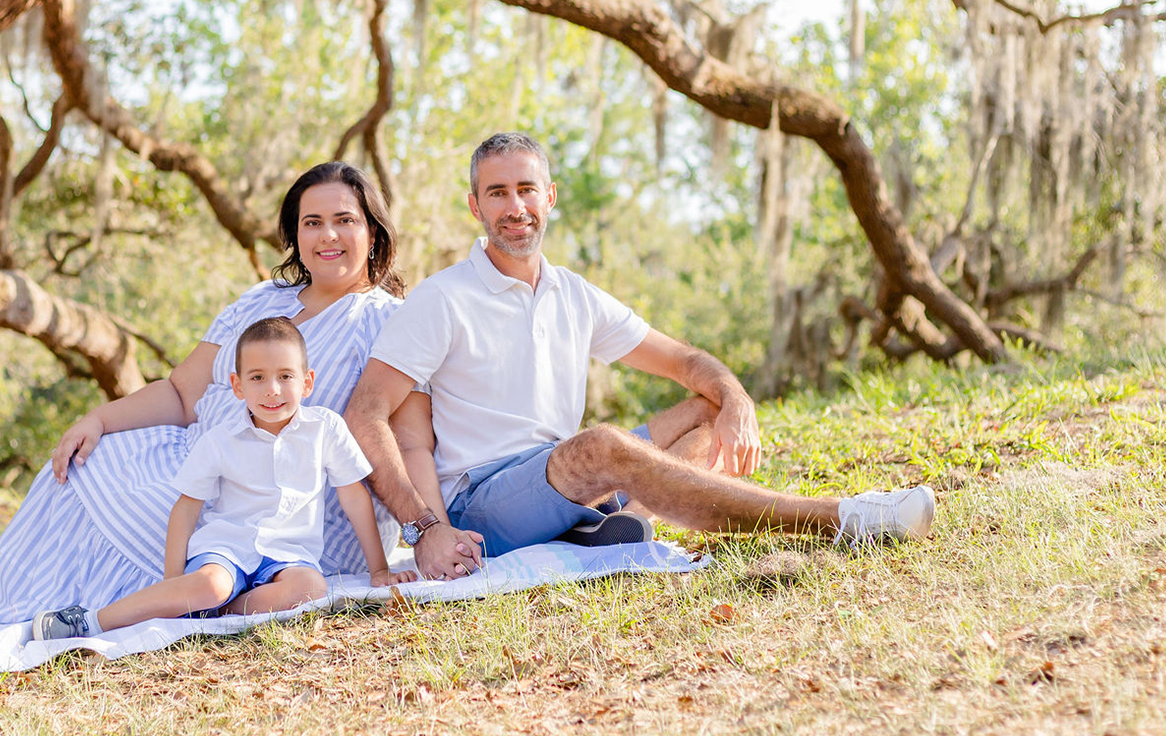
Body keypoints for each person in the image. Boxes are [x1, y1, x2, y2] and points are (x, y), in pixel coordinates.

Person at [340, 131, 935, 560]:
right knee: (601, 446)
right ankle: (842, 519)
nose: (514, 207)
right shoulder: (443, 298)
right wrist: (425, 530)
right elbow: (364, 414)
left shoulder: (573, 294)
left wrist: (735, 397)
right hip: (483, 505)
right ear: (475, 206)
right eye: (497, 193)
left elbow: (685, 363)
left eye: (526, 189)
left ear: (550, 197)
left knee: (705, 409)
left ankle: (613, 530)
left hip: (562, 484)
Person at [0, 160, 482, 625]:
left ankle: (147, 607)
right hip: (206, 461)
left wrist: (428, 528)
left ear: (373, 230)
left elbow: (412, 442)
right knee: (90, 462)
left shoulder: (391, 319)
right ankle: (43, 610)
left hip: (296, 508)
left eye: (345, 220)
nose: (328, 235)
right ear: (294, 235)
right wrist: (99, 420)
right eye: (312, 222)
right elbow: (181, 393)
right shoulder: (261, 300)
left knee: (164, 515)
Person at [31, 317, 413, 639]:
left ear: (307, 382)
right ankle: (90, 620)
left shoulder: (325, 428)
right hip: (227, 548)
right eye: (258, 377)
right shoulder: (221, 439)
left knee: (311, 590)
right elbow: (185, 509)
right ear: (237, 385)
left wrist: (379, 570)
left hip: (290, 554)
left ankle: (218, 612)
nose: (273, 390)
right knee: (211, 584)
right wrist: (171, 580)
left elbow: (354, 498)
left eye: (285, 376)